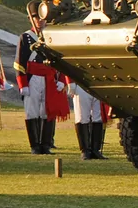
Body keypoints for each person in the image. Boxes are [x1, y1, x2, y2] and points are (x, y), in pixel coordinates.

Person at [16, 12, 69, 154]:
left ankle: (46, 145)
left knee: (47, 111)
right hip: (32, 77)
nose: (39, 20)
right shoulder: (26, 37)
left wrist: (61, 80)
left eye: (41, 17)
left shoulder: (51, 36)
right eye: (36, 18)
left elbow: (60, 60)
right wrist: (23, 84)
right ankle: (34, 146)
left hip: (49, 78)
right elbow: (19, 63)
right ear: (31, 19)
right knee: (32, 111)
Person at [68, 81, 110, 160]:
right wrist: (70, 83)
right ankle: (85, 150)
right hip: (81, 84)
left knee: (98, 118)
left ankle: (95, 150)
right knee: (82, 118)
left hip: (98, 85)